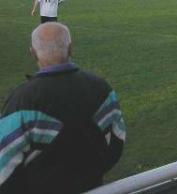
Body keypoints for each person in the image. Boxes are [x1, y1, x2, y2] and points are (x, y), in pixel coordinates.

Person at [0, 23, 125, 194]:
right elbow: (117, 141)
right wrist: (92, 172)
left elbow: (5, 164)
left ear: (33, 52)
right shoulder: (101, 88)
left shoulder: (21, 100)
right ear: (71, 48)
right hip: (92, 185)